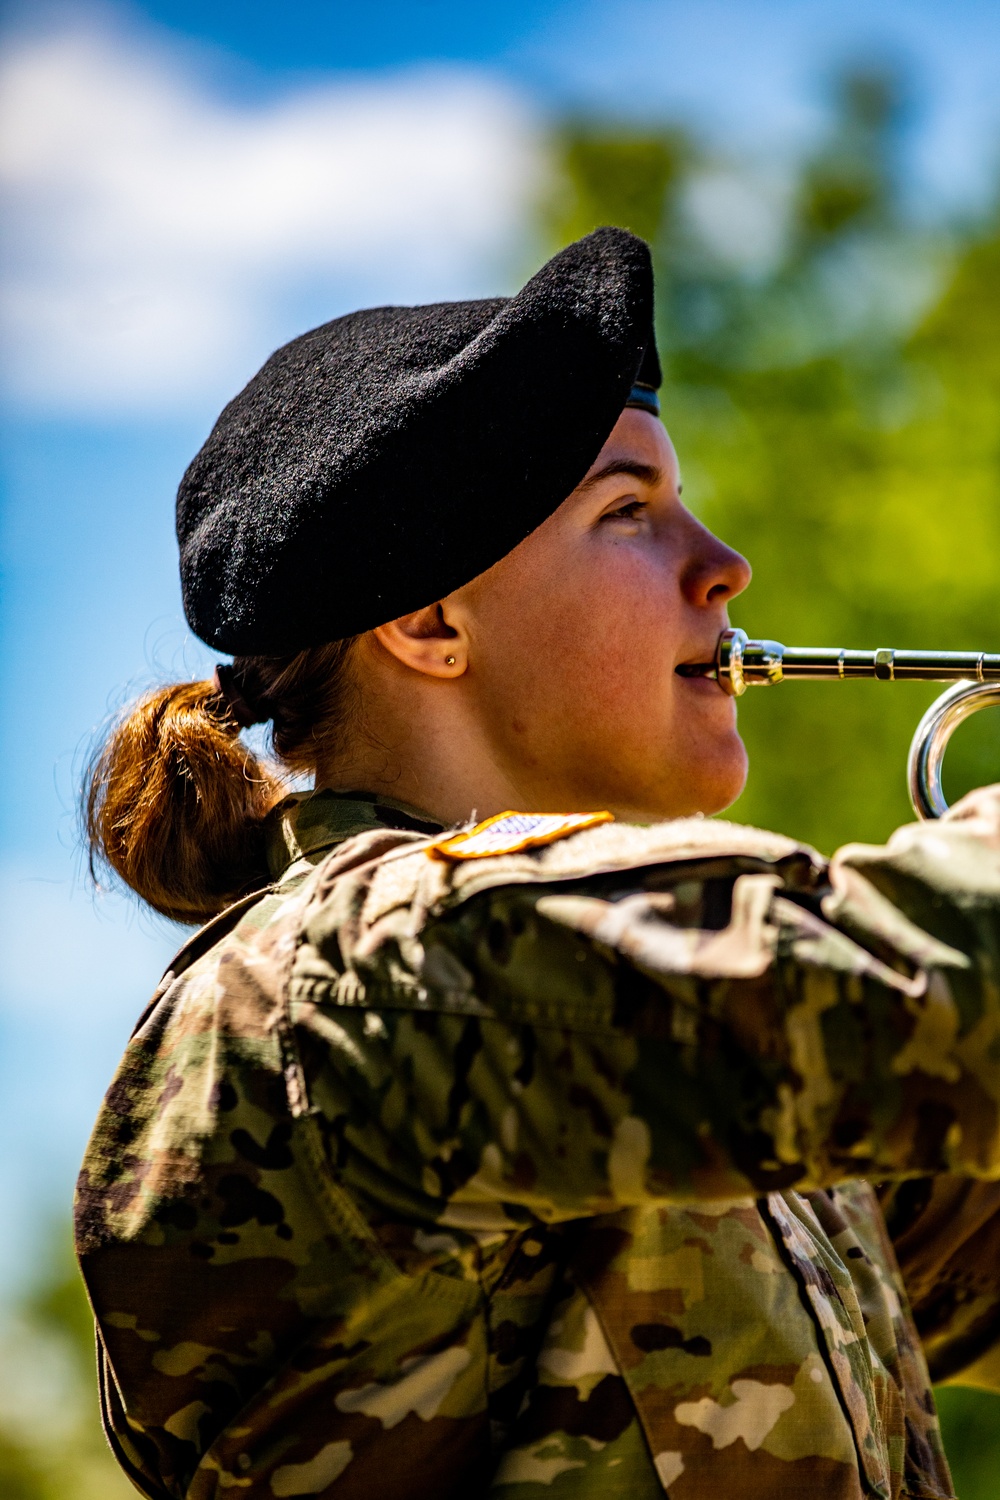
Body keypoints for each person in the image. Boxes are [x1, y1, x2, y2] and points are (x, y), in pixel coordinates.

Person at [76, 228, 1000, 1500]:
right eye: (629, 512)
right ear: (429, 622)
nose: (725, 566)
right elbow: (951, 984)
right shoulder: (351, 981)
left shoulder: (630, 1048)